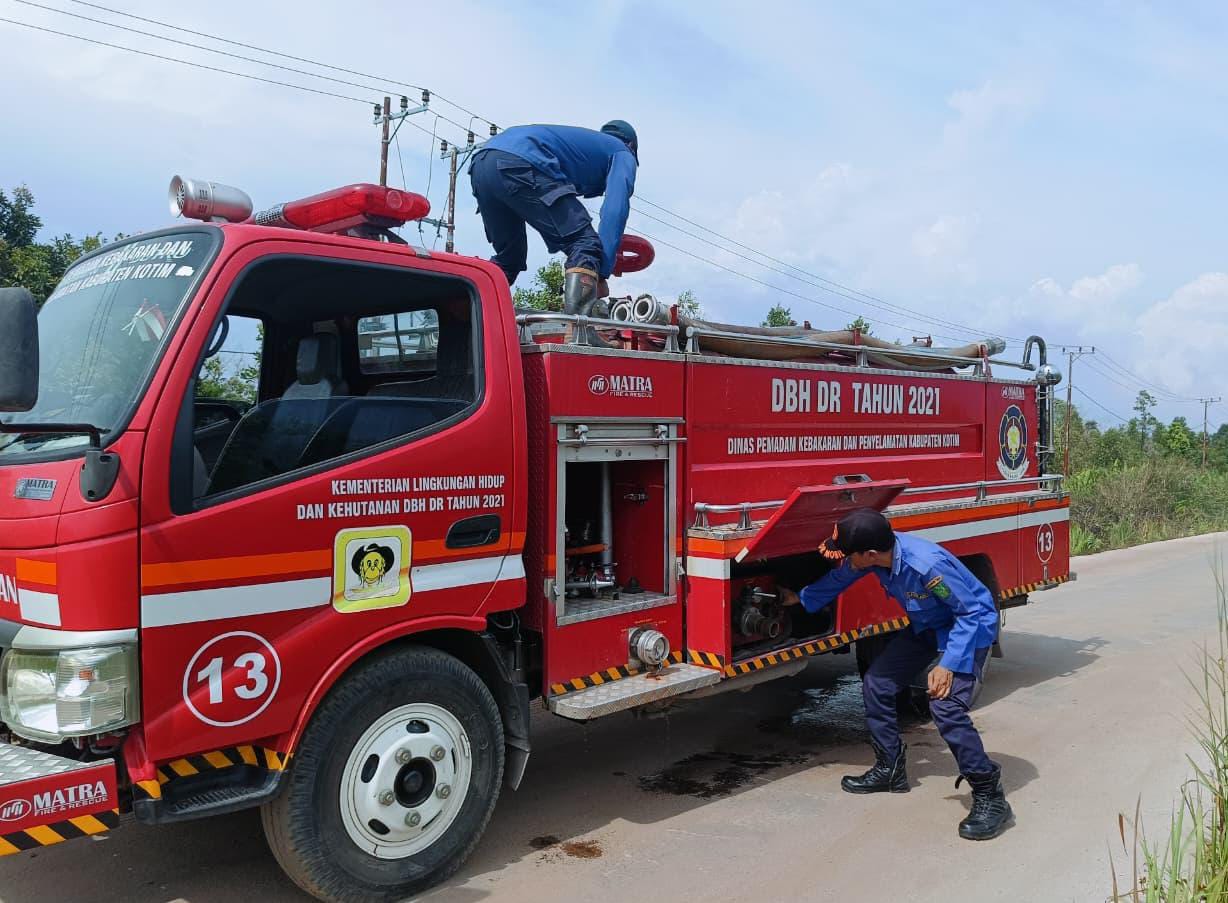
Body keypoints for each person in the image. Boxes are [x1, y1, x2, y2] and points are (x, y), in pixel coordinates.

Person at [778, 507, 1013, 841]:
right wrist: (799, 598)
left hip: (967, 628)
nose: (846, 559)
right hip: (928, 625)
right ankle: (890, 769)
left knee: (945, 706)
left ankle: (990, 793)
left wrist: (947, 664)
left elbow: (971, 611)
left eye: (850, 554)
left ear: (870, 554)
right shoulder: (878, 555)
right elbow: (841, 577)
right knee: (877, 683)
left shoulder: (926, 565)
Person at [469, 121, 638, 316]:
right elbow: (615, 210)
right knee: (584, 243)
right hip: (522, 162)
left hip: (481, 163)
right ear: (632, 146)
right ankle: (578, 333)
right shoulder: (623, 153)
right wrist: (600, 271)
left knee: (508, 261)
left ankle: (468, 320)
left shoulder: (584, 146)